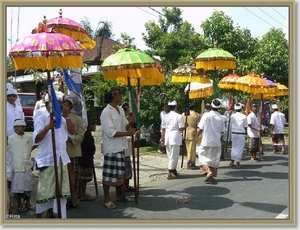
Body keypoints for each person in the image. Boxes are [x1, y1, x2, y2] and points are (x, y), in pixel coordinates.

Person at [33, 92, 76, 218]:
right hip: (48, 159)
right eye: (57, 102)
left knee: (60, 191)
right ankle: (39, 217)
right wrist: (46, 127)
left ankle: (56, 216)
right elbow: (36, 139)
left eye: (61, 102)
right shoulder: (41, 117)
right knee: (45, 191)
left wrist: (67, 117)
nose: (60, 105)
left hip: (62, 159)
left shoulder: (62, 119)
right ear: (49, 104)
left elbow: (72, 133)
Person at [100, 86, 137, 209]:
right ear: (113, 95)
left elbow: (125, 126)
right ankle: (106, 199)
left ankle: (120, 195)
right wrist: (128, 133)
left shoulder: (120, 110)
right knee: (109, 174)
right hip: (111, 148)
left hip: (120, 146)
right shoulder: (106, 112)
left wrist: (131, 122)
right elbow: (111, 132)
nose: (121, 96)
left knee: (119, 174)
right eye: (119, 94)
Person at [8, 119, 35, 213]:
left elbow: (34, 145)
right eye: (14, 127)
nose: (16, 129)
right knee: (17, 188)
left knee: (28, 186)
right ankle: (19, 203)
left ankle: (28, 202)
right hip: (17, 166)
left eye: (18, 127)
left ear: (23, 128)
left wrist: (28, 154)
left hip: (27, 166)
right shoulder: (11, 139)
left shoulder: (29, 138)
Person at [196, 99, 225, 184]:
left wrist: (196, 137)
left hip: (206, 141)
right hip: (216, 142)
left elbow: (200, 128)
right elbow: (223, 131)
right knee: (214, 159)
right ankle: (211, 176)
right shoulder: (221, 118)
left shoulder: (206, 115)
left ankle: (208, 172)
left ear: (211, 106)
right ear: (219, 108)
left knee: (201, 155)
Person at [63, 96, 85, 209]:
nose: (64, 105)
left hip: (73, 151)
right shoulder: (57, 118)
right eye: (63, 103)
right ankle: (64, 200)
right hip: (60, 152)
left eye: (67, 103)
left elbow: (81, 134)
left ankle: (74, 199)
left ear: (71, 105)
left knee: (74, 177)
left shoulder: (77, 118)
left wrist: (71, 139)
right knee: (63, 177)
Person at [160, 100, 186, 180]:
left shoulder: (165, 116)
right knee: (174, 156)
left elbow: (163, 129)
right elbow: (181, 128)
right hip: (175, 137)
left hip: (167, 137)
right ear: (175, 107)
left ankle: (173, 169)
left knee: (170, 155)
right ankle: (169, 172)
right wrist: (185, 126)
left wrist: (162, 139)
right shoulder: (179, 116)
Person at [77, 118, 97, 201]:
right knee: (84, 178)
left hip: (83, 158)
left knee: (82, 178)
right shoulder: (87, 136)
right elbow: (90, 148)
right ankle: (83, 194)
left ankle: (79, 193)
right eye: (94, 126)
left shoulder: (86, 135)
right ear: (91, 126)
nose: (95, 127)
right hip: (86, 159)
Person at [121, 102, 136, 192]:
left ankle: (127, 185)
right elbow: (127, 132)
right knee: (124, 169)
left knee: (128, 169)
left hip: (127, 147)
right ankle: (123, 186)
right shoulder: (122, 120)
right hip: (123, 146)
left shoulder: (125, 120)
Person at [182, 101, 200, 169]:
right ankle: (190, 162)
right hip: (193, 133)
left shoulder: (184, 114)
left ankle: (191, 161)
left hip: (186, 132)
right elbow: (198, 125)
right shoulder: (196, 114)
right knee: (192, 149)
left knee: (188, 148)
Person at [229, 103, 248, 168]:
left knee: (234, 147)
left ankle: (232, 161)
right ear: (241, 109)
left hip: (234, 133)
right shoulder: (244, 116)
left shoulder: (232, 116)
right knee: (239, 148)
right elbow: (245, 126)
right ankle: (237, 163)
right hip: (241, 133)